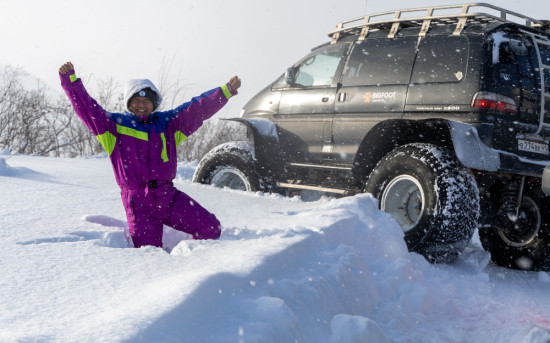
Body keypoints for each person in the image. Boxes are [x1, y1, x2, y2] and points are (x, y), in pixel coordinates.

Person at [59, 61, 241, 248]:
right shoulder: (114, 127)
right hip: (138, 203)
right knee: (148, 252)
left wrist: (225, 91)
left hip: (168, 196)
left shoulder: (169, 124)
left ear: (154, 103)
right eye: (136, 101)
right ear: (128, 103)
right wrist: (70, 80)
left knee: (210, 228)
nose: (141, 105)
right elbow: (87, 108)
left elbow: (197, 109)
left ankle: (192, 262)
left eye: (146, 101)